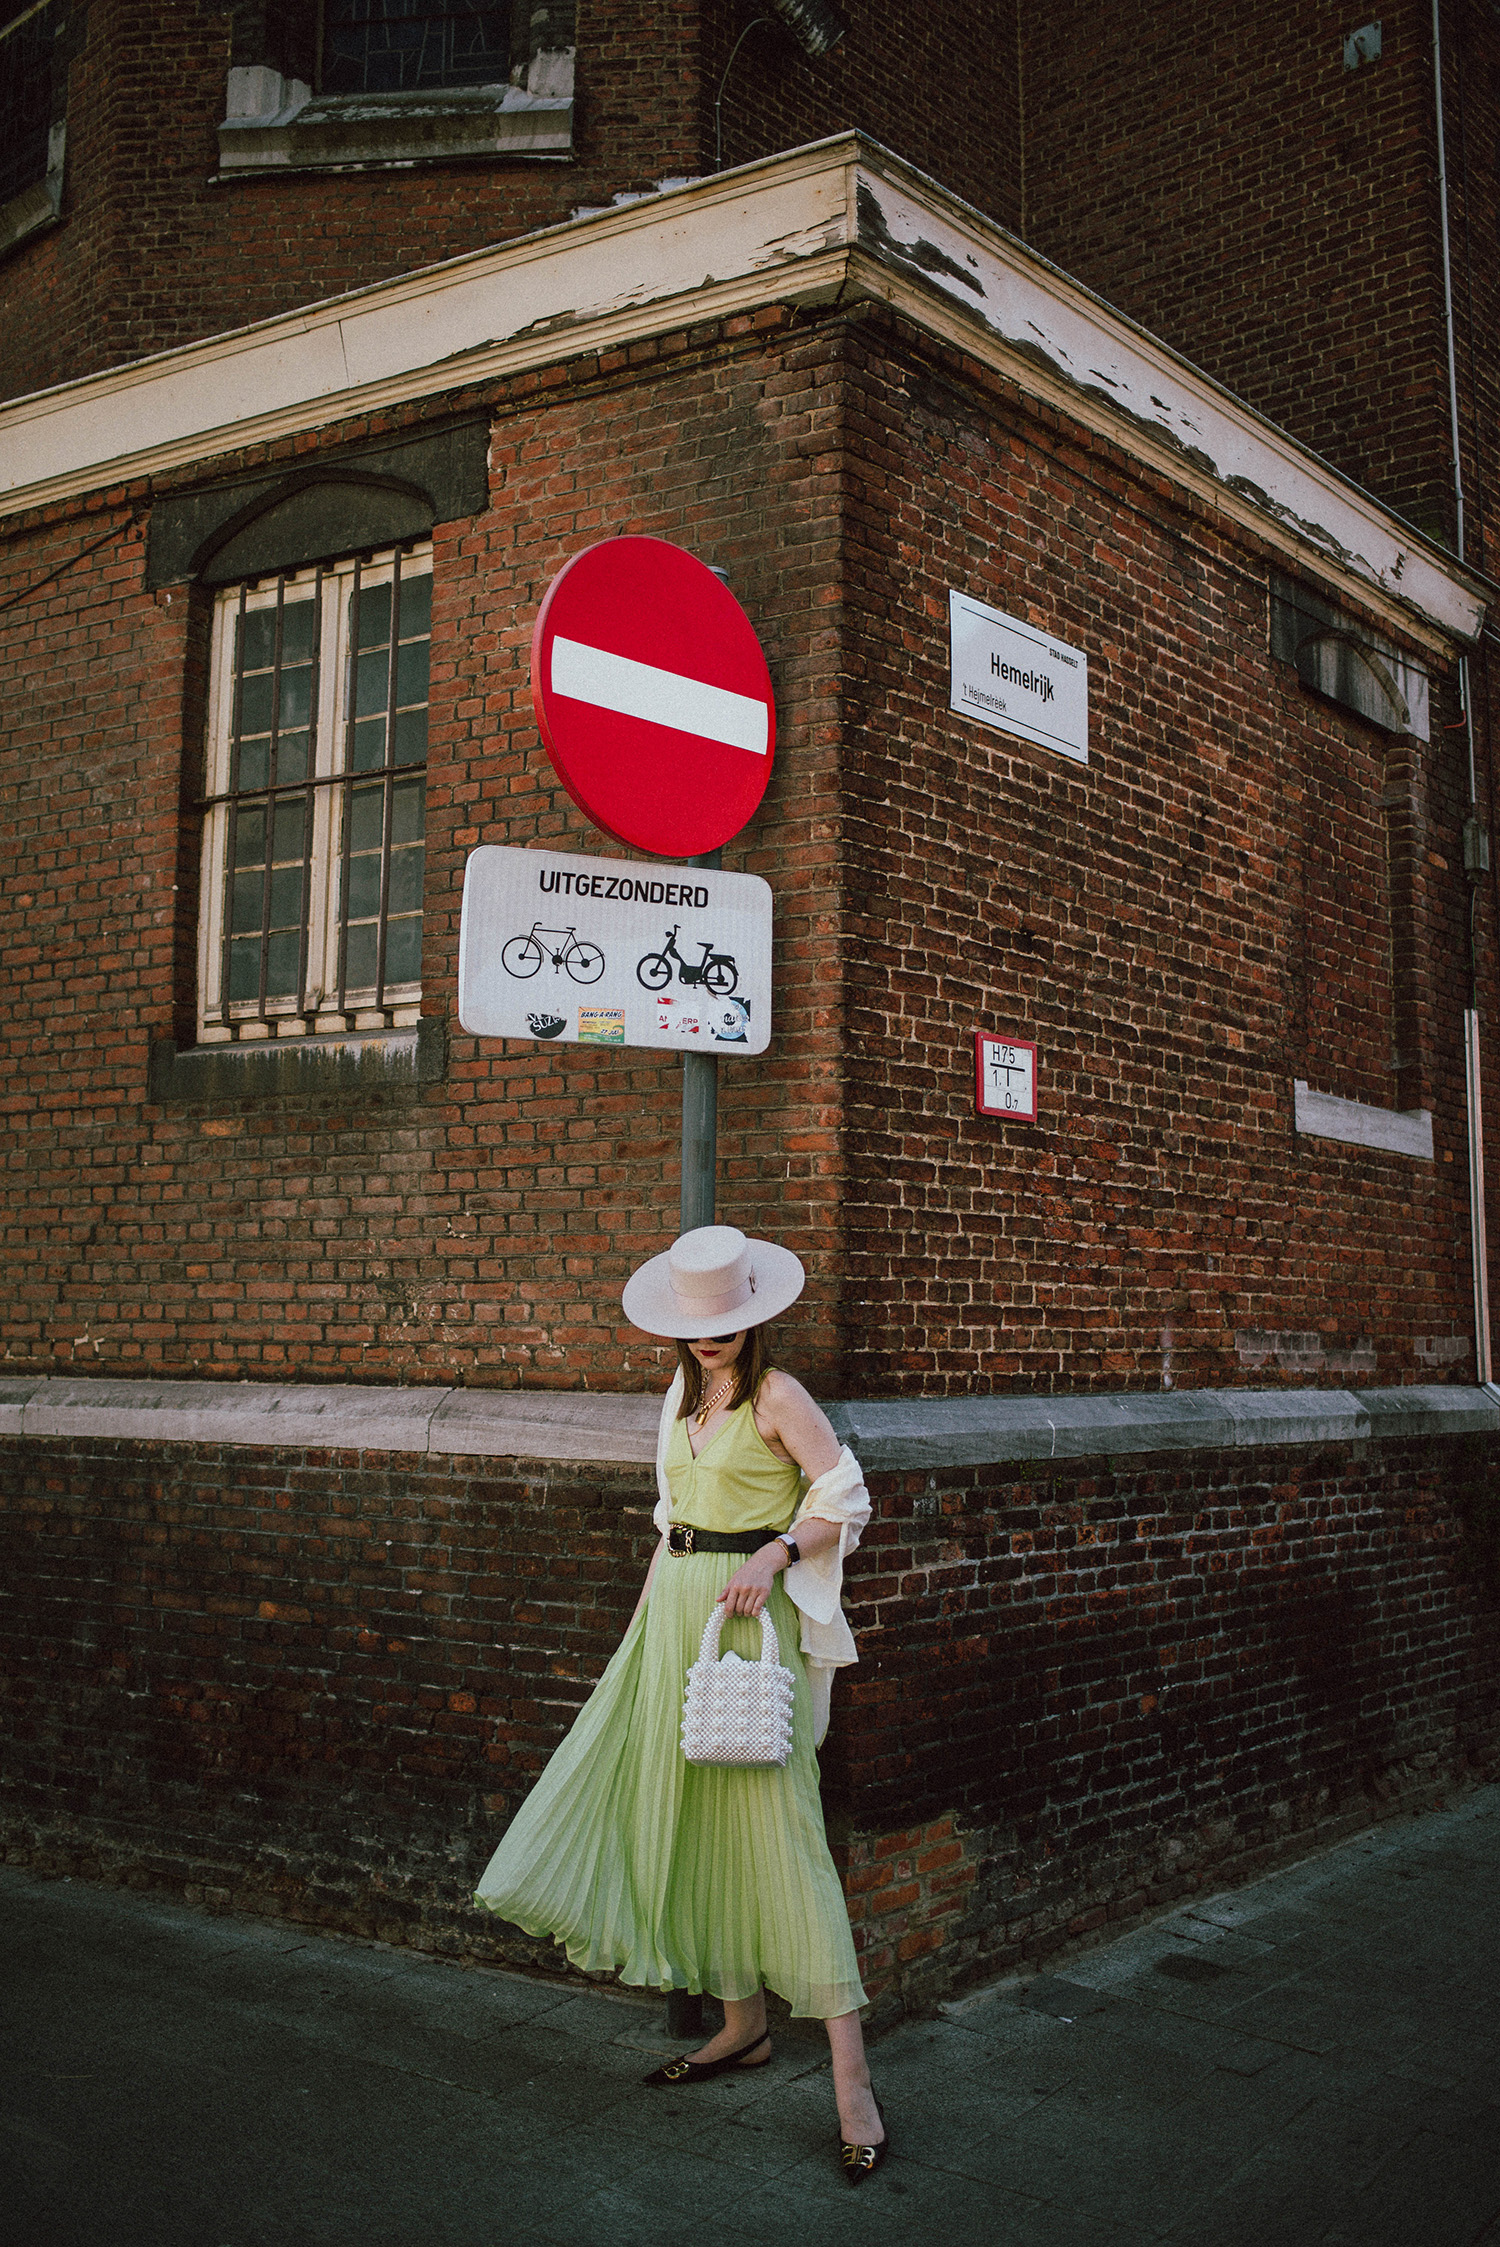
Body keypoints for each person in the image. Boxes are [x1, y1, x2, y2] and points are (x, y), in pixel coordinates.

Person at [473, 1224, 889, 2182]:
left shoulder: (778, 1395)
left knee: (781, 1826)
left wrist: (775, 1551)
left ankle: (853, 2082)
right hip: (673, 1620)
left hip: (748, 1630)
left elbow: (845, 1500)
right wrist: (644, 1622)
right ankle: (742, 2028)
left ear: (755, 1319)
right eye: (701, 1325)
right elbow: (674, 1523)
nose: (714, 1338)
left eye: (731, 1322)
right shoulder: (680, 1393)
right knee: (695, 1815)